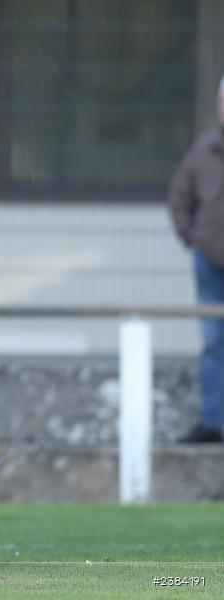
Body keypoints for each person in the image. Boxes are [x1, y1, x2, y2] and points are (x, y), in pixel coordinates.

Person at [167, 75, 224, 444]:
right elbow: (179, 199)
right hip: (210, 263)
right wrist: (194, 239)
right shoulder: (203, 151)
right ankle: (212, 421)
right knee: (213, 343)